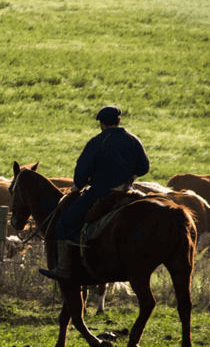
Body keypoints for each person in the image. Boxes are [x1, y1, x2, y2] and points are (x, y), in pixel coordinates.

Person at [40, 105, 150, 281]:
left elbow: (81, 172)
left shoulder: (98, 142)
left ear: (101, 123)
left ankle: (63, 268)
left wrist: (78, 185)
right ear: (119, 120)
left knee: (65, 222)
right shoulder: (133, 140)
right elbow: (144, 167)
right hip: (128, 192)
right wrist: (131, 176)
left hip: (100, 193)